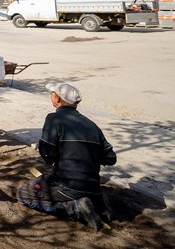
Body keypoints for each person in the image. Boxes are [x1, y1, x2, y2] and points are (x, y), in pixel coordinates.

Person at [17, 82, 117, 231]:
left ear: (57, 99)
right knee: (86, 193)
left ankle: (74, 208)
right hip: (93, 186)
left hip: (67, 184)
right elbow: (110, 158)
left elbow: (48, 157)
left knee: (24, 194)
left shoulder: (54, 119)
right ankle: (99, 206)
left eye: (52, 93)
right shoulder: (92, 125)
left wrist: (47, 148)